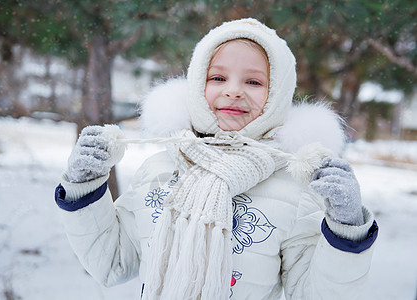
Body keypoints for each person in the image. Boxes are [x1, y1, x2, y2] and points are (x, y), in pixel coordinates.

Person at [55, 18, 378, 299]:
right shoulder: (160, 168)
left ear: (278, 94)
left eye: (253, 82)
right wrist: (84, 186)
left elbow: (315, 294)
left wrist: (346, 227)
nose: (234, 90)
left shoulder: (293, 190)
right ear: (197, 84)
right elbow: (111, 262)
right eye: (218, 78)